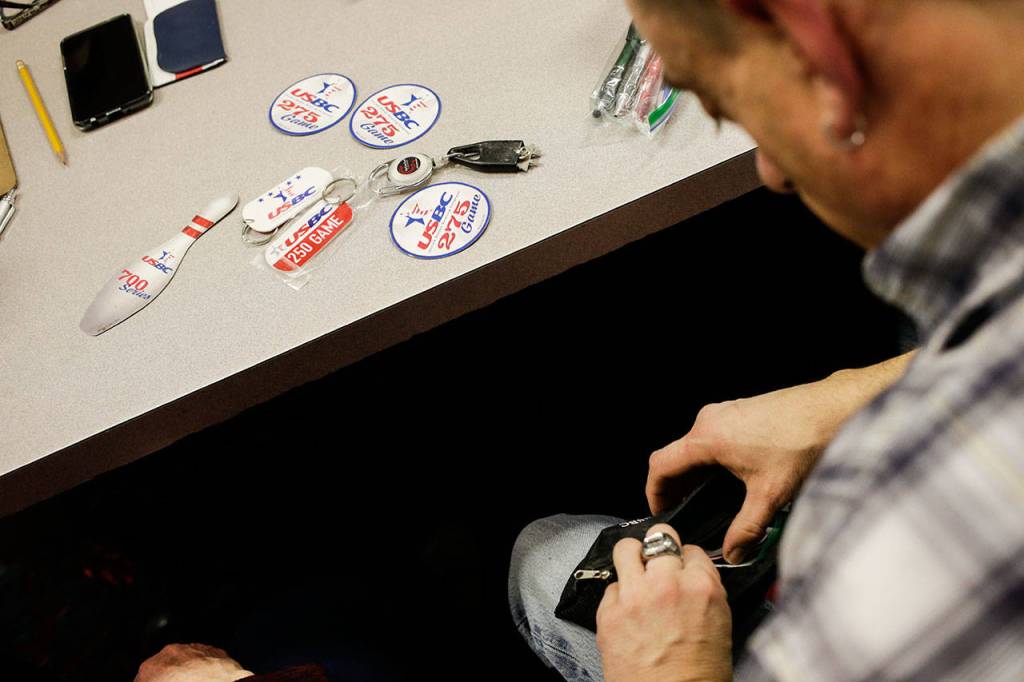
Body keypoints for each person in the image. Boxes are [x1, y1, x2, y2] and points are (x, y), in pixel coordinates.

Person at [510, 0, 1024, 679]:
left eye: (721, 100)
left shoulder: (897, 547)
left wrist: (674, 661)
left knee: (542, 561)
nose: (771, 173)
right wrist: (850, 393)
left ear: (817, 51)